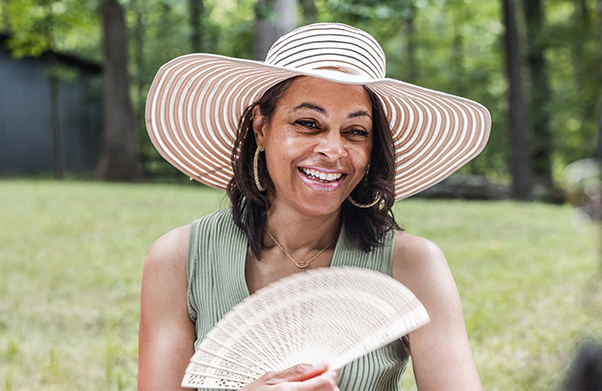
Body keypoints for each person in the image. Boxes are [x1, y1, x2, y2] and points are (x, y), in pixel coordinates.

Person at [138, 23, 491, 391]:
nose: (334, 150)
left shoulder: (413, 264)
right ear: (261, 127)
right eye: (308, 124)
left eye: (355, 131)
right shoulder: (177, 259)